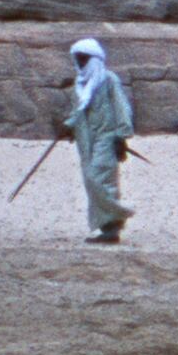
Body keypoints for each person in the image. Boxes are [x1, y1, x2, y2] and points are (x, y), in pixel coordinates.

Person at [60, 36, 138, 243]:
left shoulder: (109, 79)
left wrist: (121, 137)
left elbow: (122, 108)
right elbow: (79, 111)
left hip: (107, 136)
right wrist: (68, 126)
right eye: (78, 59)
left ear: (94, 59)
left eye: (84, 58)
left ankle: (119, 214)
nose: (80, 63)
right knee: (90, 181)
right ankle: (108, 228)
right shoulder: (81, 84)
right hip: (86, 139)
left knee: (100, 178)